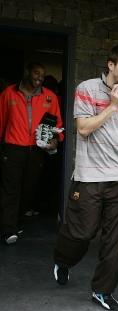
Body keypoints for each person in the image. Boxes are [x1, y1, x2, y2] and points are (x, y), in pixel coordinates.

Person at [53, 45, 118, 311]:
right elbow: (83, 128)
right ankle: (63, 260)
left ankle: (102, 290)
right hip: (89, 177)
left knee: (115, 240)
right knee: (81, 233)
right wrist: (112, 106)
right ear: (110, 65)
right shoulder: (87, 89)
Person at [0, 62, 63, 244]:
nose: (40, 78)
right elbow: (2, 119)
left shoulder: (49, 97)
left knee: (29, 188)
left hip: (37, 149)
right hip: (13, 147)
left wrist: (55, 140)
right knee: (10, 189)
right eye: (37, 73)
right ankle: (8, 229)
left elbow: (56, 123)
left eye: (43, 76)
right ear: (27, 72)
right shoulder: (8, 94)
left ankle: (16, 220)